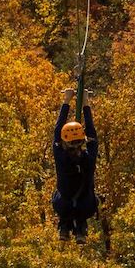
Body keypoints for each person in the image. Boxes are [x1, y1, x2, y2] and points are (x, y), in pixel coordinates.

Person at [52, 87, 98, 243]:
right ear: (82, 139)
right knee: (88, 198)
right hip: (86, 206)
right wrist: (85, 102)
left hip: (63, 205)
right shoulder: (89, 157)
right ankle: (80, 228)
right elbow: (91, 132)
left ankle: (65, 225)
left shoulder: (60, 156)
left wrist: (67, 101)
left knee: (59, 195)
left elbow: (57, 131)